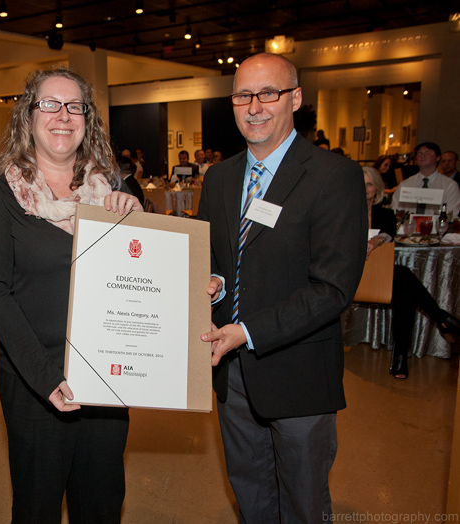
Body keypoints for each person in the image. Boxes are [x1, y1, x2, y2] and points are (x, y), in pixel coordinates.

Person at [197, 53, 367, 523]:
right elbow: (211, 254)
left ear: (295, 98)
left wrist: (247, 331)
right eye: (242, 95)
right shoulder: (221, 177)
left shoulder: (334, 176)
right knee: (251, 493)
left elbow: (332, 287)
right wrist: (210, 283)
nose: (254, 106)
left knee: (303, 502)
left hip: (299, 374)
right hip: (231, 374)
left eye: (267, 93)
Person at [0, 65, 142, 524]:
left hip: (107, 374)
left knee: (102, 502)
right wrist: (45, 377)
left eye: (74, 106)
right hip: (35, 380)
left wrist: (138, 220)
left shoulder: (114, 190)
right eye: (49, 104)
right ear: (28, 116)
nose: (62, 115)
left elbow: (144, 273)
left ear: (88, 118)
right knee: (37, 506)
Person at [362, 166, 460, 379]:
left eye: (369, 183)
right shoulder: (342, 212)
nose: (365, 188)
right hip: (351, 276)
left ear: (377, 188)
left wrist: (376, 240)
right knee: (403, 275)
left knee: (404, 293)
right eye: (361, 183)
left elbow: (389, 234)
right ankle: (441, 318)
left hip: (377, 275)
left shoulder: (386, 214)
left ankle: (400, 355)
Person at [391, 142, 460, 218]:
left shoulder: (449, 185)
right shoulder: (405, 185)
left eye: (427, 153)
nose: (423, 156)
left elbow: (452, 214)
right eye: (419, 153)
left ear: (438, 158)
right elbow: (395, 210)